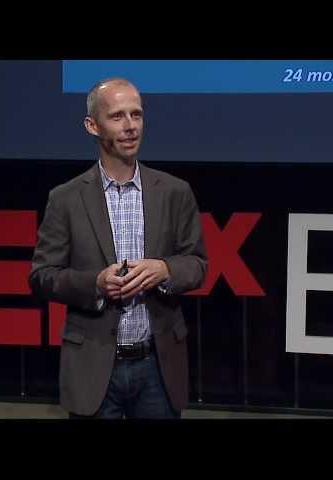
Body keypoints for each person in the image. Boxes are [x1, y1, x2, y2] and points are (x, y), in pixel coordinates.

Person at [29, 77, 207, 418]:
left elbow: (197, 263)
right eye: (117, 117)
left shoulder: (174, 192)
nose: (130, 127)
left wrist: (165, 270)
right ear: (92, 126)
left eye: (136, 115)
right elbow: (42, 276)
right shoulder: (65, 199)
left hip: (158, 366)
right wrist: (95, 283)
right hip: (94, 366)